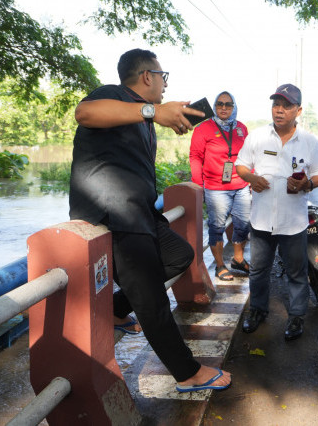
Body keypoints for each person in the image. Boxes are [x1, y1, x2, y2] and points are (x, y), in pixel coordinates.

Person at [69, 48, 231, 393]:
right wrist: (153, 111)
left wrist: (162, 116)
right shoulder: (113, 95)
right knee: (152, 300)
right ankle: (187, 373)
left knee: (180, 255)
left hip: (141, 211)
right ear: (147, 76)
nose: (164, 85)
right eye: (162, 77)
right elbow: (84, 113)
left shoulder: (141, 118)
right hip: (114, 213)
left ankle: (116, 309)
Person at [235, 84, 318, 341]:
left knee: (297, 272)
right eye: (276, 104)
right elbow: (241, 165)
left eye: (286, 105)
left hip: (293, 221)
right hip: (262, 220)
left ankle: (297, 316)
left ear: (298, 110)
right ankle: (257, 310)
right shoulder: (257, 137)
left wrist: (307, 184)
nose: (279, 110)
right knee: (258, 270)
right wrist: (252, 177)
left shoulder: (309, 141)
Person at [190, 91, 251, 281]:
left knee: (243, 224)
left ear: (234, 107)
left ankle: (238, 259)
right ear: (215, 107)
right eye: (219, 104)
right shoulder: (203, 128)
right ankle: (219, 265)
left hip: (240, 184)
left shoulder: (241, 128)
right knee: (216, 227)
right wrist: (198, 184)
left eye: (228, 104)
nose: (224, 108)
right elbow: (195, 157)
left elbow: (249, 155)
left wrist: (251, 178)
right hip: (216, 187)